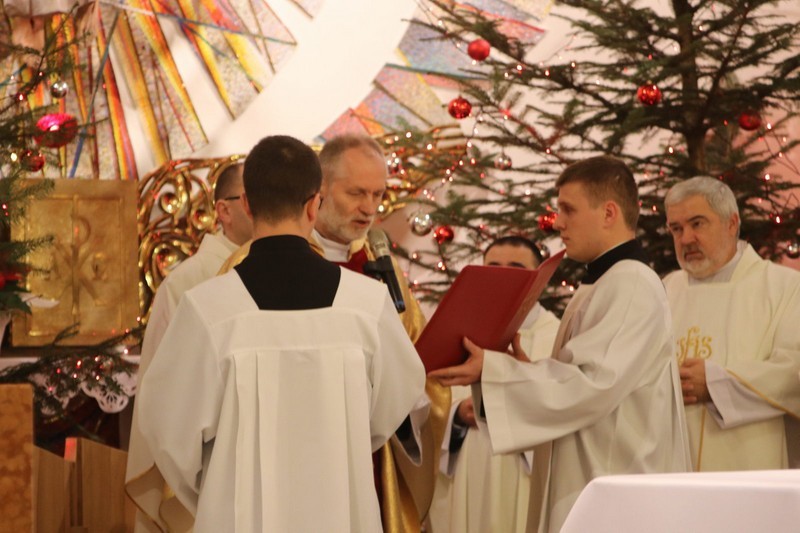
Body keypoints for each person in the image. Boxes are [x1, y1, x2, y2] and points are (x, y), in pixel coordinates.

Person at [135, 135, 427, 532]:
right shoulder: (368, 304)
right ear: (314, 204)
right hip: (342, 514)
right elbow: (395, 402)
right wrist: (343, 445)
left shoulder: (207, 307)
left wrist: (219, 490)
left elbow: (169, 431)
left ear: (248, 204)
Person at [429, 155, 690, 533]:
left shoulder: (631, 284)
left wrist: (496, 369)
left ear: (609, 213)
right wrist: (524, 372)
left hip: (614, 483)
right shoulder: (605, 282)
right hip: (591, 474)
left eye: (568, 209)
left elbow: (593, 384)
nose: (558, 222)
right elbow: (587, 377)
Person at [221, 133, 449, 532]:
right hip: (275, 458)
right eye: (356, 193)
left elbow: (416, 365)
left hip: (366, 461)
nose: (369, 208)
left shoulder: (382, 268)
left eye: (378, 194)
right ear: (319, 191)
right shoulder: (253, 264)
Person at [125, 161, 254, 532]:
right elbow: (167, 391)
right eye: (250, 199)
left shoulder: (276, 272)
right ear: (223, 210)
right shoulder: (190, 281)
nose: (263, 208)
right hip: (211, 457)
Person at [663, 176, 800, 471]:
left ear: (732, 224)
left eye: (697, 224)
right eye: (676, 228)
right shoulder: (664, 290)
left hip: (749, 467)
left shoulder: (785, 287)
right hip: (670, 465)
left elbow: (794, 372)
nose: (686, 239)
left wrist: (716, 385)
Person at [428, 236, 560, 533]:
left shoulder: (557, 335)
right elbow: (425, 401)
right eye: (494, 267)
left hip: (523, 475)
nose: (503, 276)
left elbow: (568, 409)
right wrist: (456, 416)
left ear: (537, 279)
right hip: (467, 469)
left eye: (515, 268)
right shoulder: (456, 329)